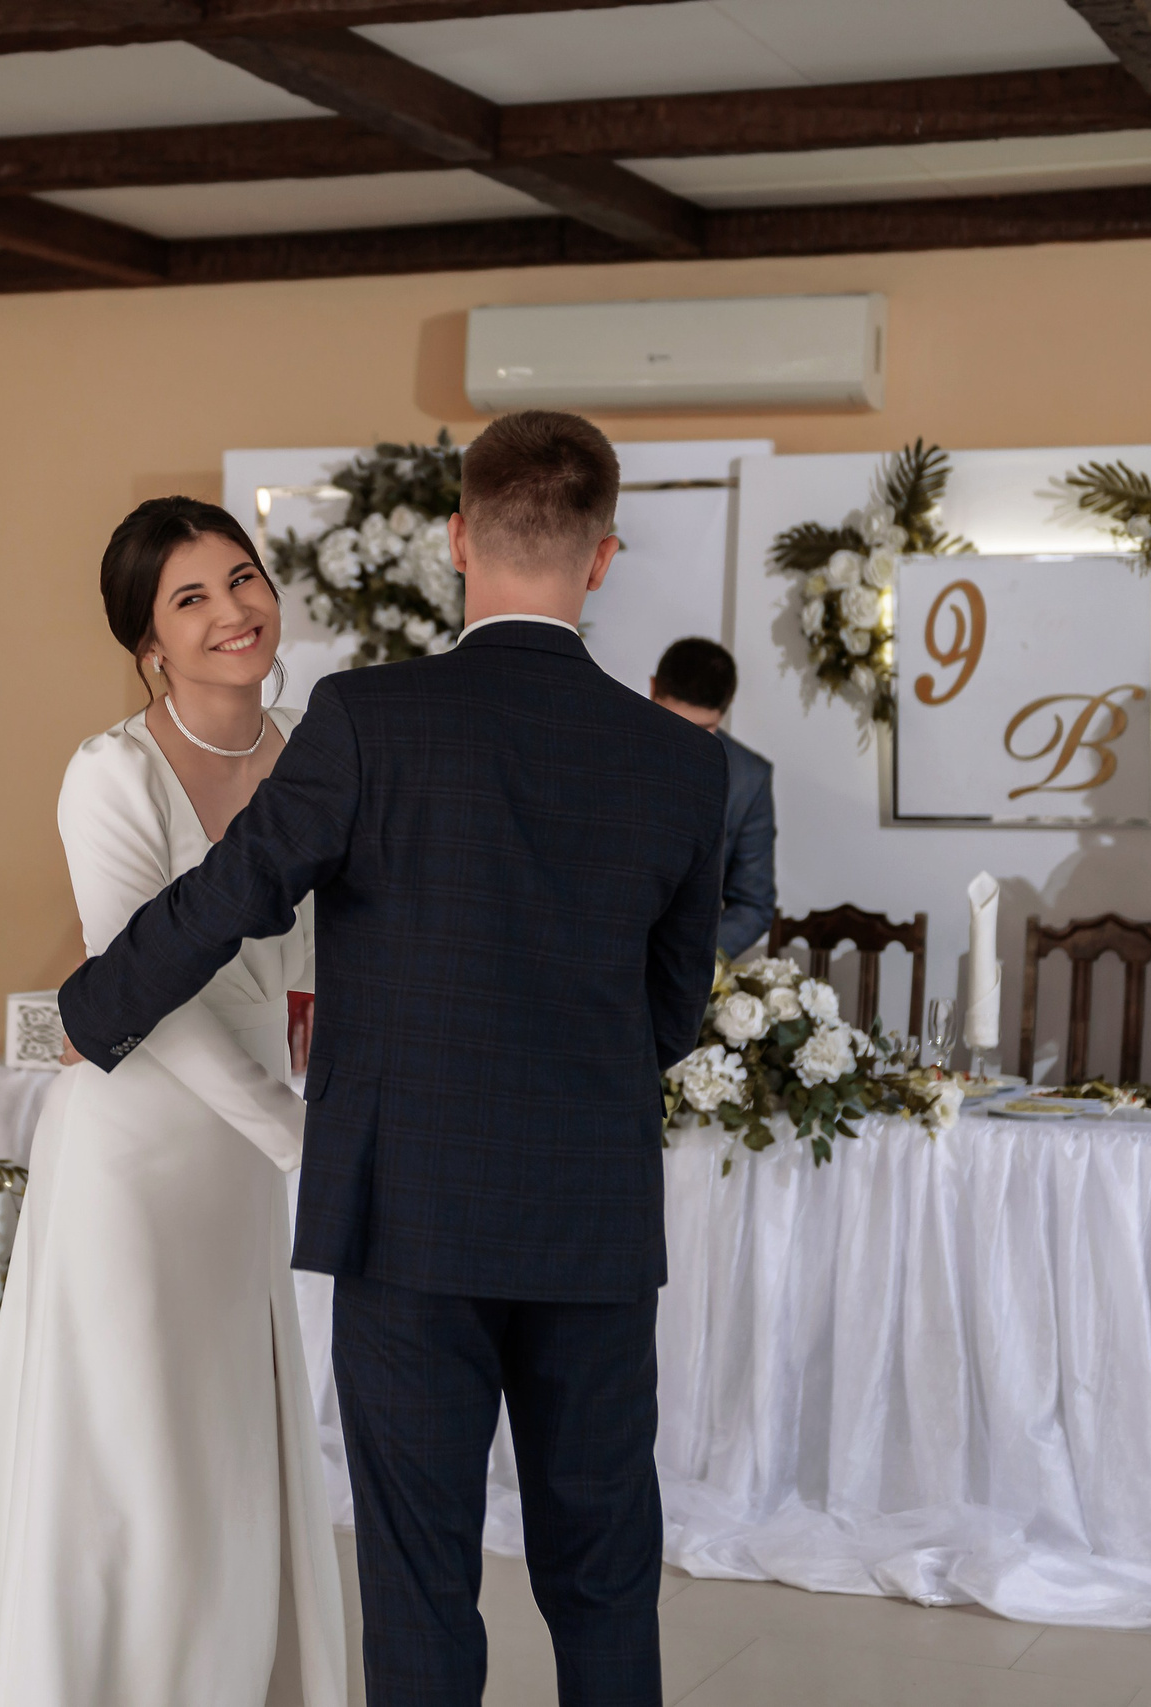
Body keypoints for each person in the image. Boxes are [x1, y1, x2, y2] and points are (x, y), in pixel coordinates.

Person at [62, 412, 729, 1707]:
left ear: (458, 539)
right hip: (590, 1222)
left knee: (421, 1583)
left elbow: (237, 893)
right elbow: (671, 1011)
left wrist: (101, 1008)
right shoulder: (679, 762)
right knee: (601, 1579)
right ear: (600, 559)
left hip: (409, 1216)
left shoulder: (369, 719)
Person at [0, 498, 345, 1705]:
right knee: (129, 1446)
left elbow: (319, 963)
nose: (234, 611)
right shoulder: (109, 776)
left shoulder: (312, 752)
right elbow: (148, 997)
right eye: (191, 598)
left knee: (226, 1439)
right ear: (147, 642)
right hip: (137, 1150)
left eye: (242, 580)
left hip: (240, 1165)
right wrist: (293, 1134)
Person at [650, 636, 776, 962]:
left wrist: (684, 956)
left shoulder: (749, 779)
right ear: (652, 690)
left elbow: (753, 904)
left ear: (724, 714)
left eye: (703, 729)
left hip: (685, 968)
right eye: (674, 724)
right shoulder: (608, 749)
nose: (687, 743)